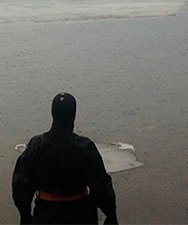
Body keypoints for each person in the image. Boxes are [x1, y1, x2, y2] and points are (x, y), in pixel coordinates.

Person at [12, 93, 118, 224]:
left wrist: (25, 215)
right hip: (81, 215)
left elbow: (20, 185)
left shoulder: (36, 145)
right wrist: (111, 215)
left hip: (45, 215)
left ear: (53, 113)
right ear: (73, 114)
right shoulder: (84, 147)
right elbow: (101, 186)